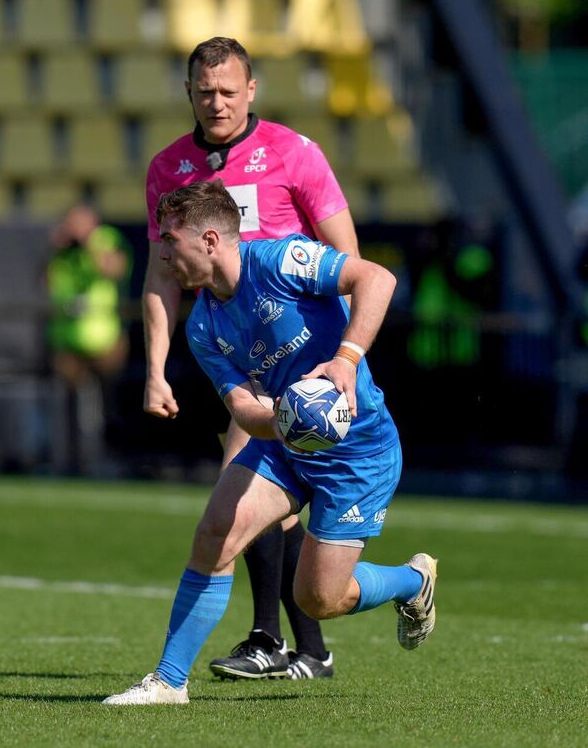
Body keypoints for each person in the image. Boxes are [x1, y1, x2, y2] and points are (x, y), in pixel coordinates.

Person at [103, 180, 437, 705]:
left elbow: (377, 277)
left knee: (320, 598)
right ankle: (168, 682)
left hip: (358, 451)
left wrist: (346, 359)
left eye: (170, 240)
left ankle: (410, 582)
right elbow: (242, 411)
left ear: (210, 240)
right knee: (215, 532)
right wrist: (286, 423)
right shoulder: (204, 325)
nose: (162, 254)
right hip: (287, 443)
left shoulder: (282, 261)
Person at [142, 36, 361, 679]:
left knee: (249, 478)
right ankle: (302, 645)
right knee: (257, 481)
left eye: (228, 91)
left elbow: (347, 253)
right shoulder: (168, 168)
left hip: (301, 345)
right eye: (205, 92)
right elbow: (159, 276)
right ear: (188, 92)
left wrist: (341, 361)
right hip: (231, 342)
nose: (217, 103)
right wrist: (155, 368)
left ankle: (280, 638)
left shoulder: (295, 153)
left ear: (252, 90)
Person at [47, 204, 131, 474]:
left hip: (104, 339)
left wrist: (89, 243)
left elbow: (114, 269)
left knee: (110, 404)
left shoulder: (105, 239)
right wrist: (55, 248)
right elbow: (45, 282)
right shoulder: (61, 250)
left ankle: (112, 459)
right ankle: (72, 462)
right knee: (69, 406)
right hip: (68, 341)